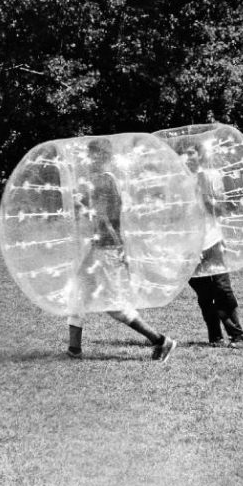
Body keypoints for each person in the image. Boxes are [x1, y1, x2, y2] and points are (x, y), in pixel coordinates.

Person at [65, 139, 177, 362]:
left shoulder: (103, 182)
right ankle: (73, 350)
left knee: (115, 307)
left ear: (103, 158)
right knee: (78, 293)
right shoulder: (103, 180)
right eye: (89, 155)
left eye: (94, 155)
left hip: (106, 247)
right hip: (101, 246)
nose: (89, 160)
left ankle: (161, 341)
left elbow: (104, 218)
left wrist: (118, 248)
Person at [184, 146, 243, 349]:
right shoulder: (178, 180)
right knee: (204, 295)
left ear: (200, 155)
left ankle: (238, 336)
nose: (185, 157)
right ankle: (215, 336)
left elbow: (225, 208)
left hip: (212, 241)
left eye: (190, 152)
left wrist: (207, 200)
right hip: (189, 246)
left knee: (222, 288)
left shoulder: (212, 177)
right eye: (183, 153)